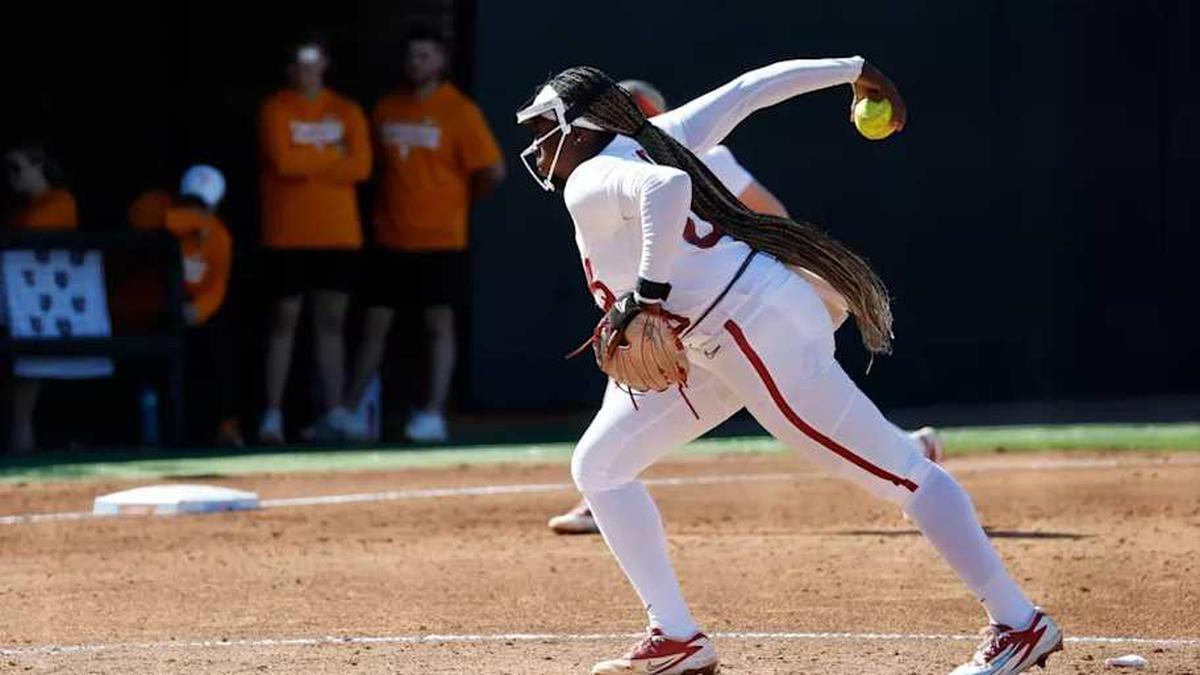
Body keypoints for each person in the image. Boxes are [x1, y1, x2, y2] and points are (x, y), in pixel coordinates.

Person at [516, 59, 1061, 675]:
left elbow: (667, 191)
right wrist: (855, 69)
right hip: (731, 327)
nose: (537, 143)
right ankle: (676, 637)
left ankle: (1019, 622)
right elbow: (748, 89)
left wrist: (646, 297)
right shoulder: (655, 137)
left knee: (902, 473)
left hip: (748, 329)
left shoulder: (591, 174)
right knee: (601, 465)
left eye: (545, 125)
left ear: (582, 125)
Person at [548, 79, 944, 536]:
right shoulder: (609, 172)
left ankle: (912, 461)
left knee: (793, 410)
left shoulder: (697, 154)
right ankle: (599, 488)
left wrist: (787, 281)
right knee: (641, 371)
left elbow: (768, 211)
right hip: (679, 311)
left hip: (738, 305)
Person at [317, 28, 504, 443]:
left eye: (424, 55)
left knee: (439, 325)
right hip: (390, 237)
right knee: (374, 326)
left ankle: (433, 414)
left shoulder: (459, 111)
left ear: (441, 61)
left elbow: (492, 170)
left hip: (441, 239)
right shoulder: (386, 109)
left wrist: (454, 204)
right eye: (411, 55)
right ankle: (347, 411)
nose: (416, 63)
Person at [257, 40, 371, 444]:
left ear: (325, 64)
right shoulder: (276, 108)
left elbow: (360, 166)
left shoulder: (346, 111)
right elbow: (284, 162)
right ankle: (271, 415)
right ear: (290, 69)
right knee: (283, 321)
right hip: (287, 233)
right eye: (299, 63)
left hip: (338, 234)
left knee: (331, 324)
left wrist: (312, 159)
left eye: (313, 62)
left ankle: (334, 413)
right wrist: (331, 155)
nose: (307, 70)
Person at [128, 165, 241, 446]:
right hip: (148, 305)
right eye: (190, 201)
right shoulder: (154, 207)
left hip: (190, 310)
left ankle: (222, 426)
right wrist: (193, 222)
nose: (196, 209)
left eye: (201, 205)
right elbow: (143, 221)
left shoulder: (219, 236)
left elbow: (216, 288)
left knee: (217, 343)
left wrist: (197, 310)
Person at [2, 142, 78, 453]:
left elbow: (28, 232)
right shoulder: (20, 209)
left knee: (28, 385)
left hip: (50, 314)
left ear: (39, 167)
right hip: (17, 312)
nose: (12, 177)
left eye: (18, 168)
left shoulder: (60, 201)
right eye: (8, 171)